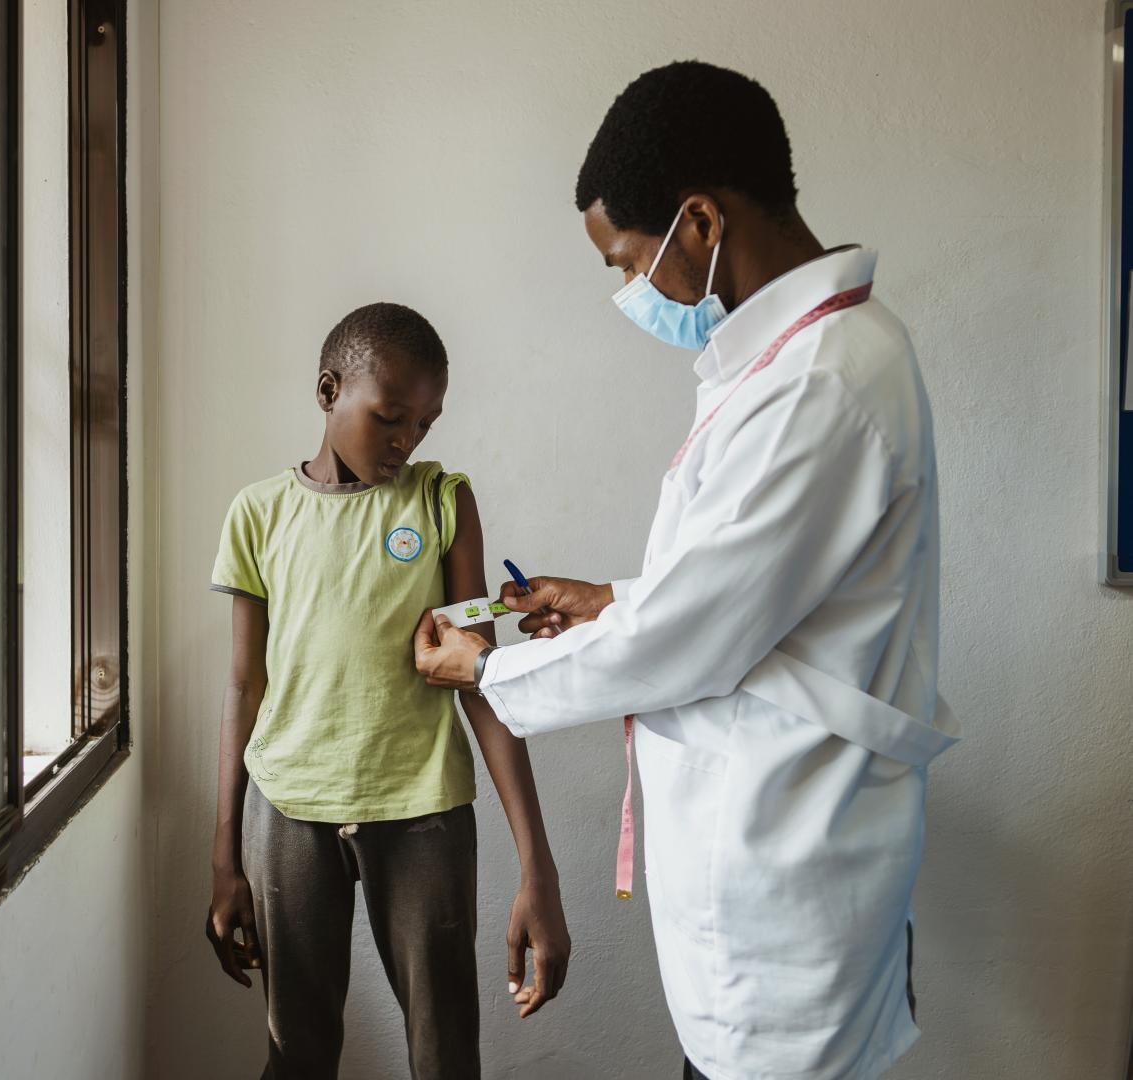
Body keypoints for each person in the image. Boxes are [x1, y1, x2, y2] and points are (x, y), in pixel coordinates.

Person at [413, 62, 959, 1080]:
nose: (633, 292)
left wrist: (487, 671)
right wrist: (617, 599)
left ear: (700, 223)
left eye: (629, 261)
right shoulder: (796, 362)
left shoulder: (822, 385)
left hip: (786, 906)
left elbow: (690, 635)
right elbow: (751, 597)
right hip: (774, 872)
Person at [205, 302, 570, 1079]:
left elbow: (483, 683)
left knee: (444, 1053)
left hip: (421, 814)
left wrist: (539, 865)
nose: (407, 442)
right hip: (289, 809)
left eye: (425, 426)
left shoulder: (441, 501)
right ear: (329, 391)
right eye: (391, 417)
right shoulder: (259, 515)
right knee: (296, 1050)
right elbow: (245, 685)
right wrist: (222, 858)